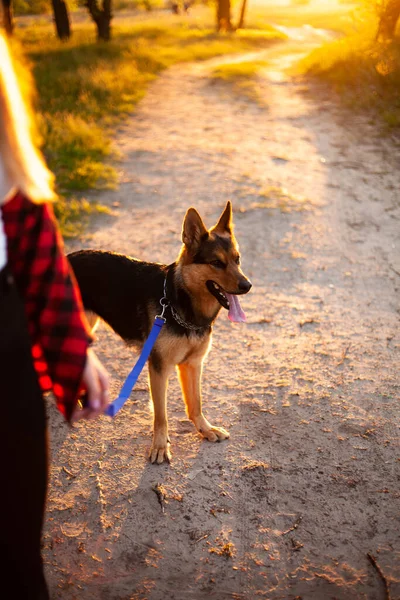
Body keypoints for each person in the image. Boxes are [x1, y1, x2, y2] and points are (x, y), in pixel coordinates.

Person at [0, 33, 110, 598]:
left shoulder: (11, 181)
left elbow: (46, 278)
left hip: (8, 387)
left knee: (16, 550)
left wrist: (78, 361)